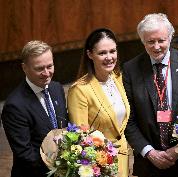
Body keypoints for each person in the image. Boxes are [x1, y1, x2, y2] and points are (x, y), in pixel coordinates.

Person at [123, 13, 178, 177]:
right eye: (150, 41)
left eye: (161, 40)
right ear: (142, 41)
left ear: (170, 38)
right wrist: (149, 152)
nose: (156, 47)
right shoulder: (130, 69)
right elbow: (128, 119)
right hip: (149, 163)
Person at [67, 28, 130, 177]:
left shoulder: (118, 78)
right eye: (102, 53)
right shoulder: (79, 90)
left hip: (123, 158)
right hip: (99, 166)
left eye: (112, 51)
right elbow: (81, 139)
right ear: (90, 54)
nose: (109, 57)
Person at [1, 40, 68, 177]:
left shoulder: (56, 88)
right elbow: (25, 154)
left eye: (50, 66)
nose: (46, 73)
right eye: (39, 68)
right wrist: (59, 167)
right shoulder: (15, 106)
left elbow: (63, 127)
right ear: (24, 68)